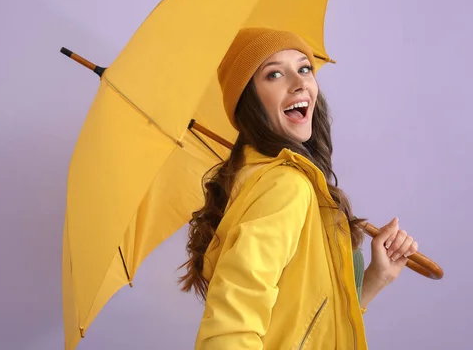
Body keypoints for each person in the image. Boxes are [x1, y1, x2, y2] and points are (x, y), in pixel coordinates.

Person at [178, 27, 418, 349]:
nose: (299, 82)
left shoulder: (255, 178)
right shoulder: (286, 185)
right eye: (274, 74)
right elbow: (229, 327)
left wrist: (376, 277)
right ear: (249, 101)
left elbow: (304, 322)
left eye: (304, 68)